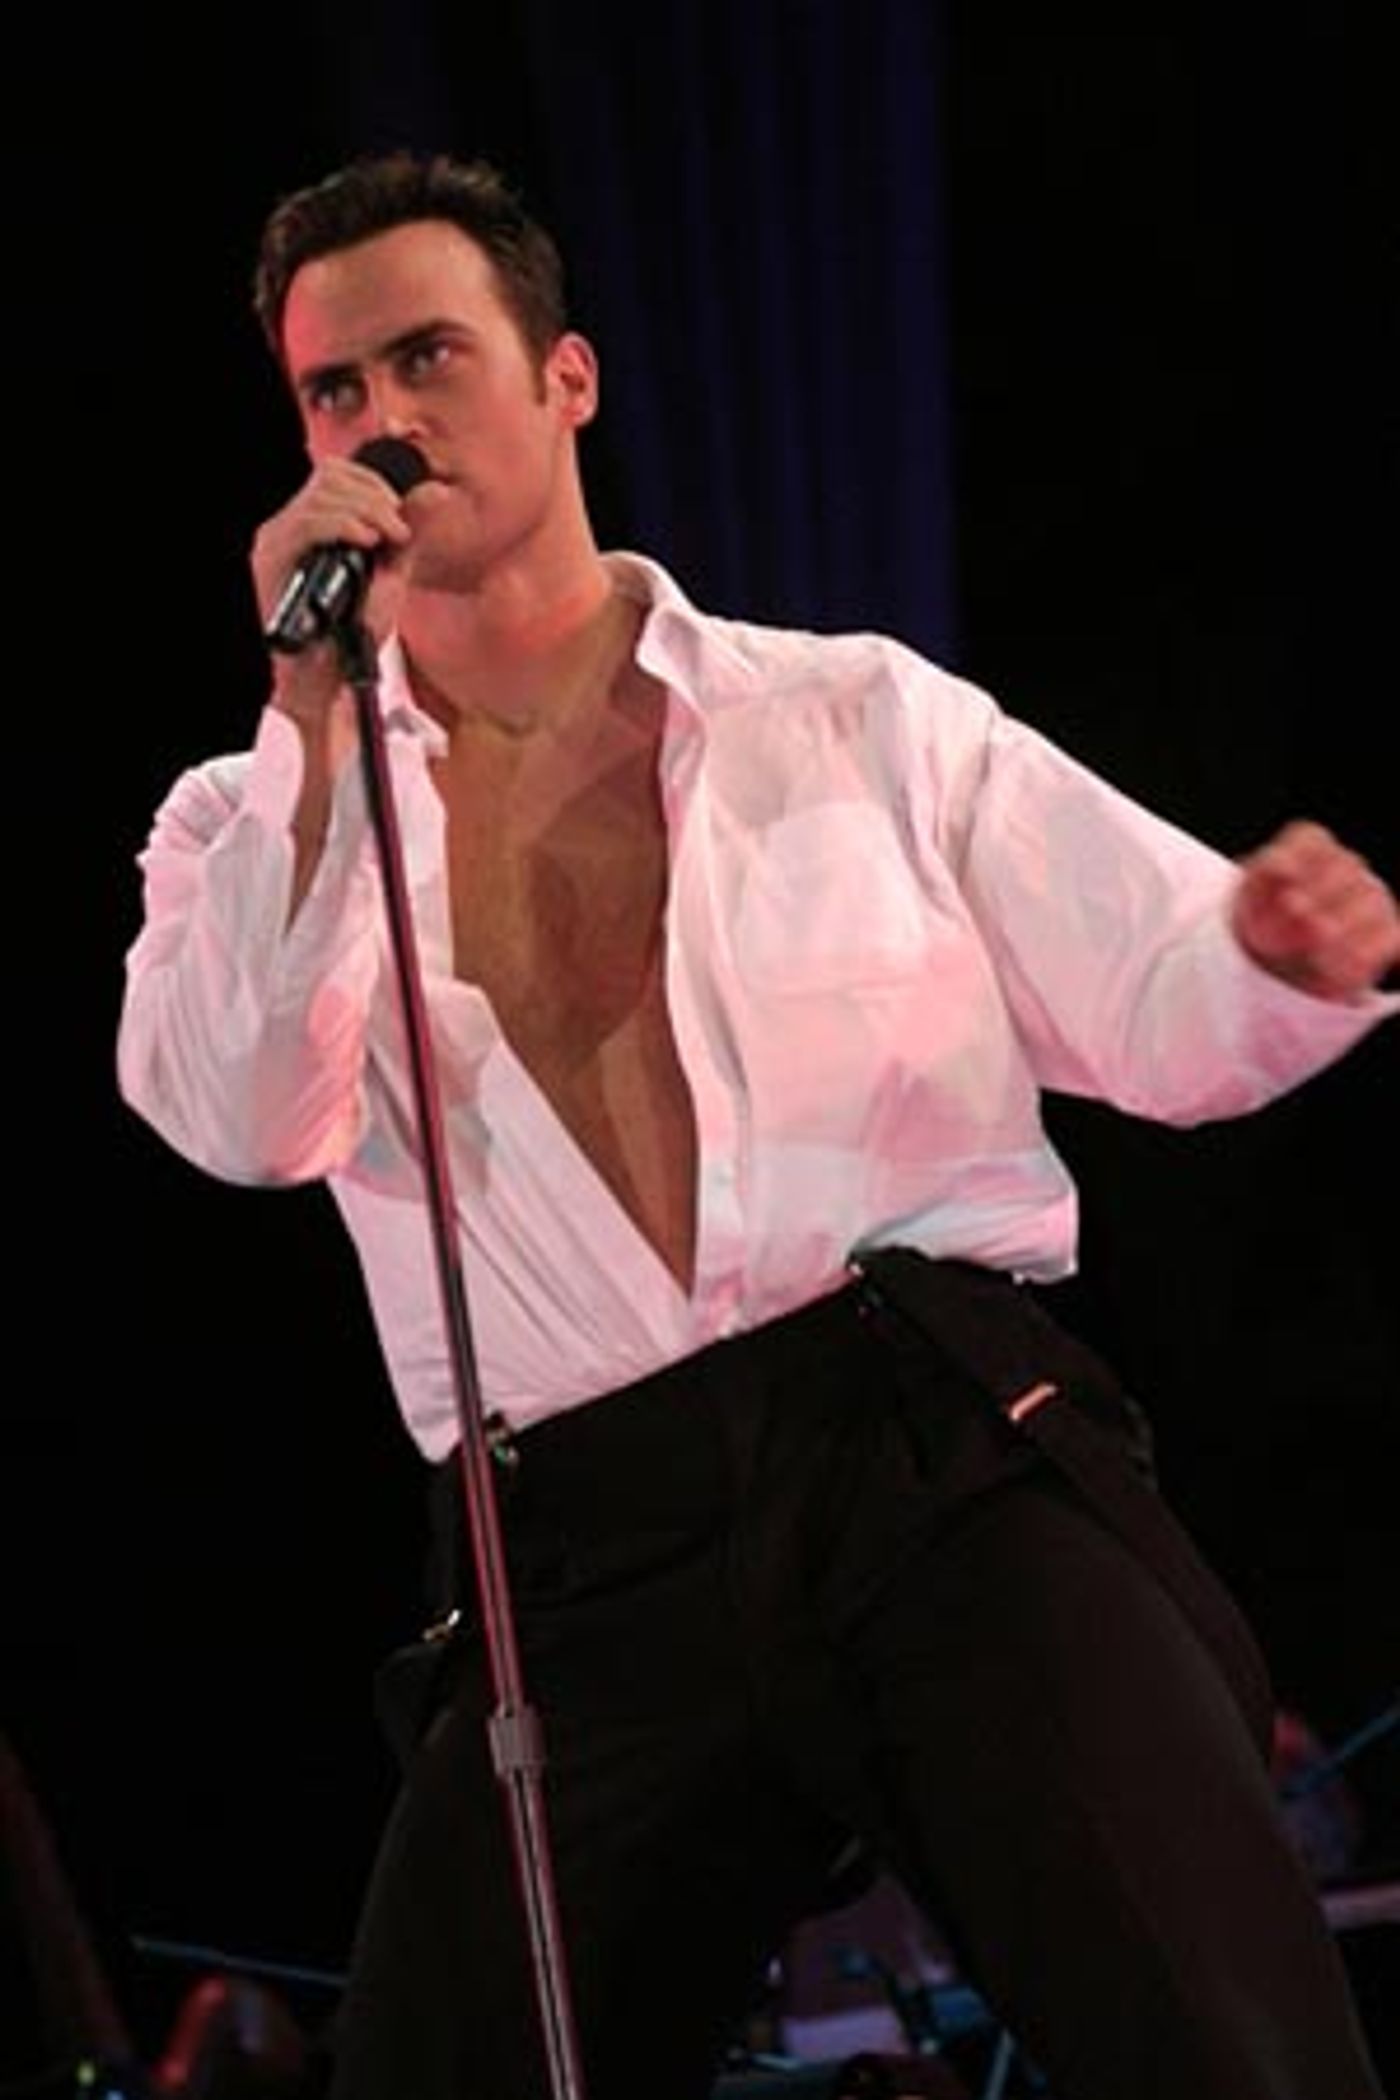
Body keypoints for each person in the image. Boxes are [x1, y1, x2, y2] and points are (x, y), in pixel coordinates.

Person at [115, 147, 1399, 2100]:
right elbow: (240, 1116)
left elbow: (1155, 995)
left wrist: (1273, 954)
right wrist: (310, 716)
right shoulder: (250, 820)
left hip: (925, 1454)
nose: (380, 420)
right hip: (579, 1549)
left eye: (427, 357)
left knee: (1221, 2040)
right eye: (331, 389)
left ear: (566, 379)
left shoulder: (853, 717)